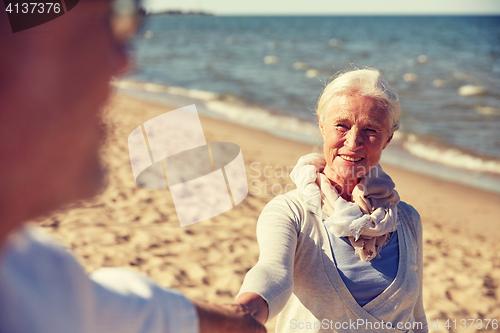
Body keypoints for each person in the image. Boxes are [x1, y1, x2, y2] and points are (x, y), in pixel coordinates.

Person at [0, 1, 266, 332]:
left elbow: (109, 307)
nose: (124, 61)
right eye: (105, 19)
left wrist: (232, 322)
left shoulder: (29, 269)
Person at [234, 69, 428, 333]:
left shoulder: (406, 219)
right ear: (322, 126)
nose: (353, 141)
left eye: (370, 129)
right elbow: (273, 273)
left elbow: (416, 316)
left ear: (388, 139)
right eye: (342, 125)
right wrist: (243, 312)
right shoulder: (291, 211)